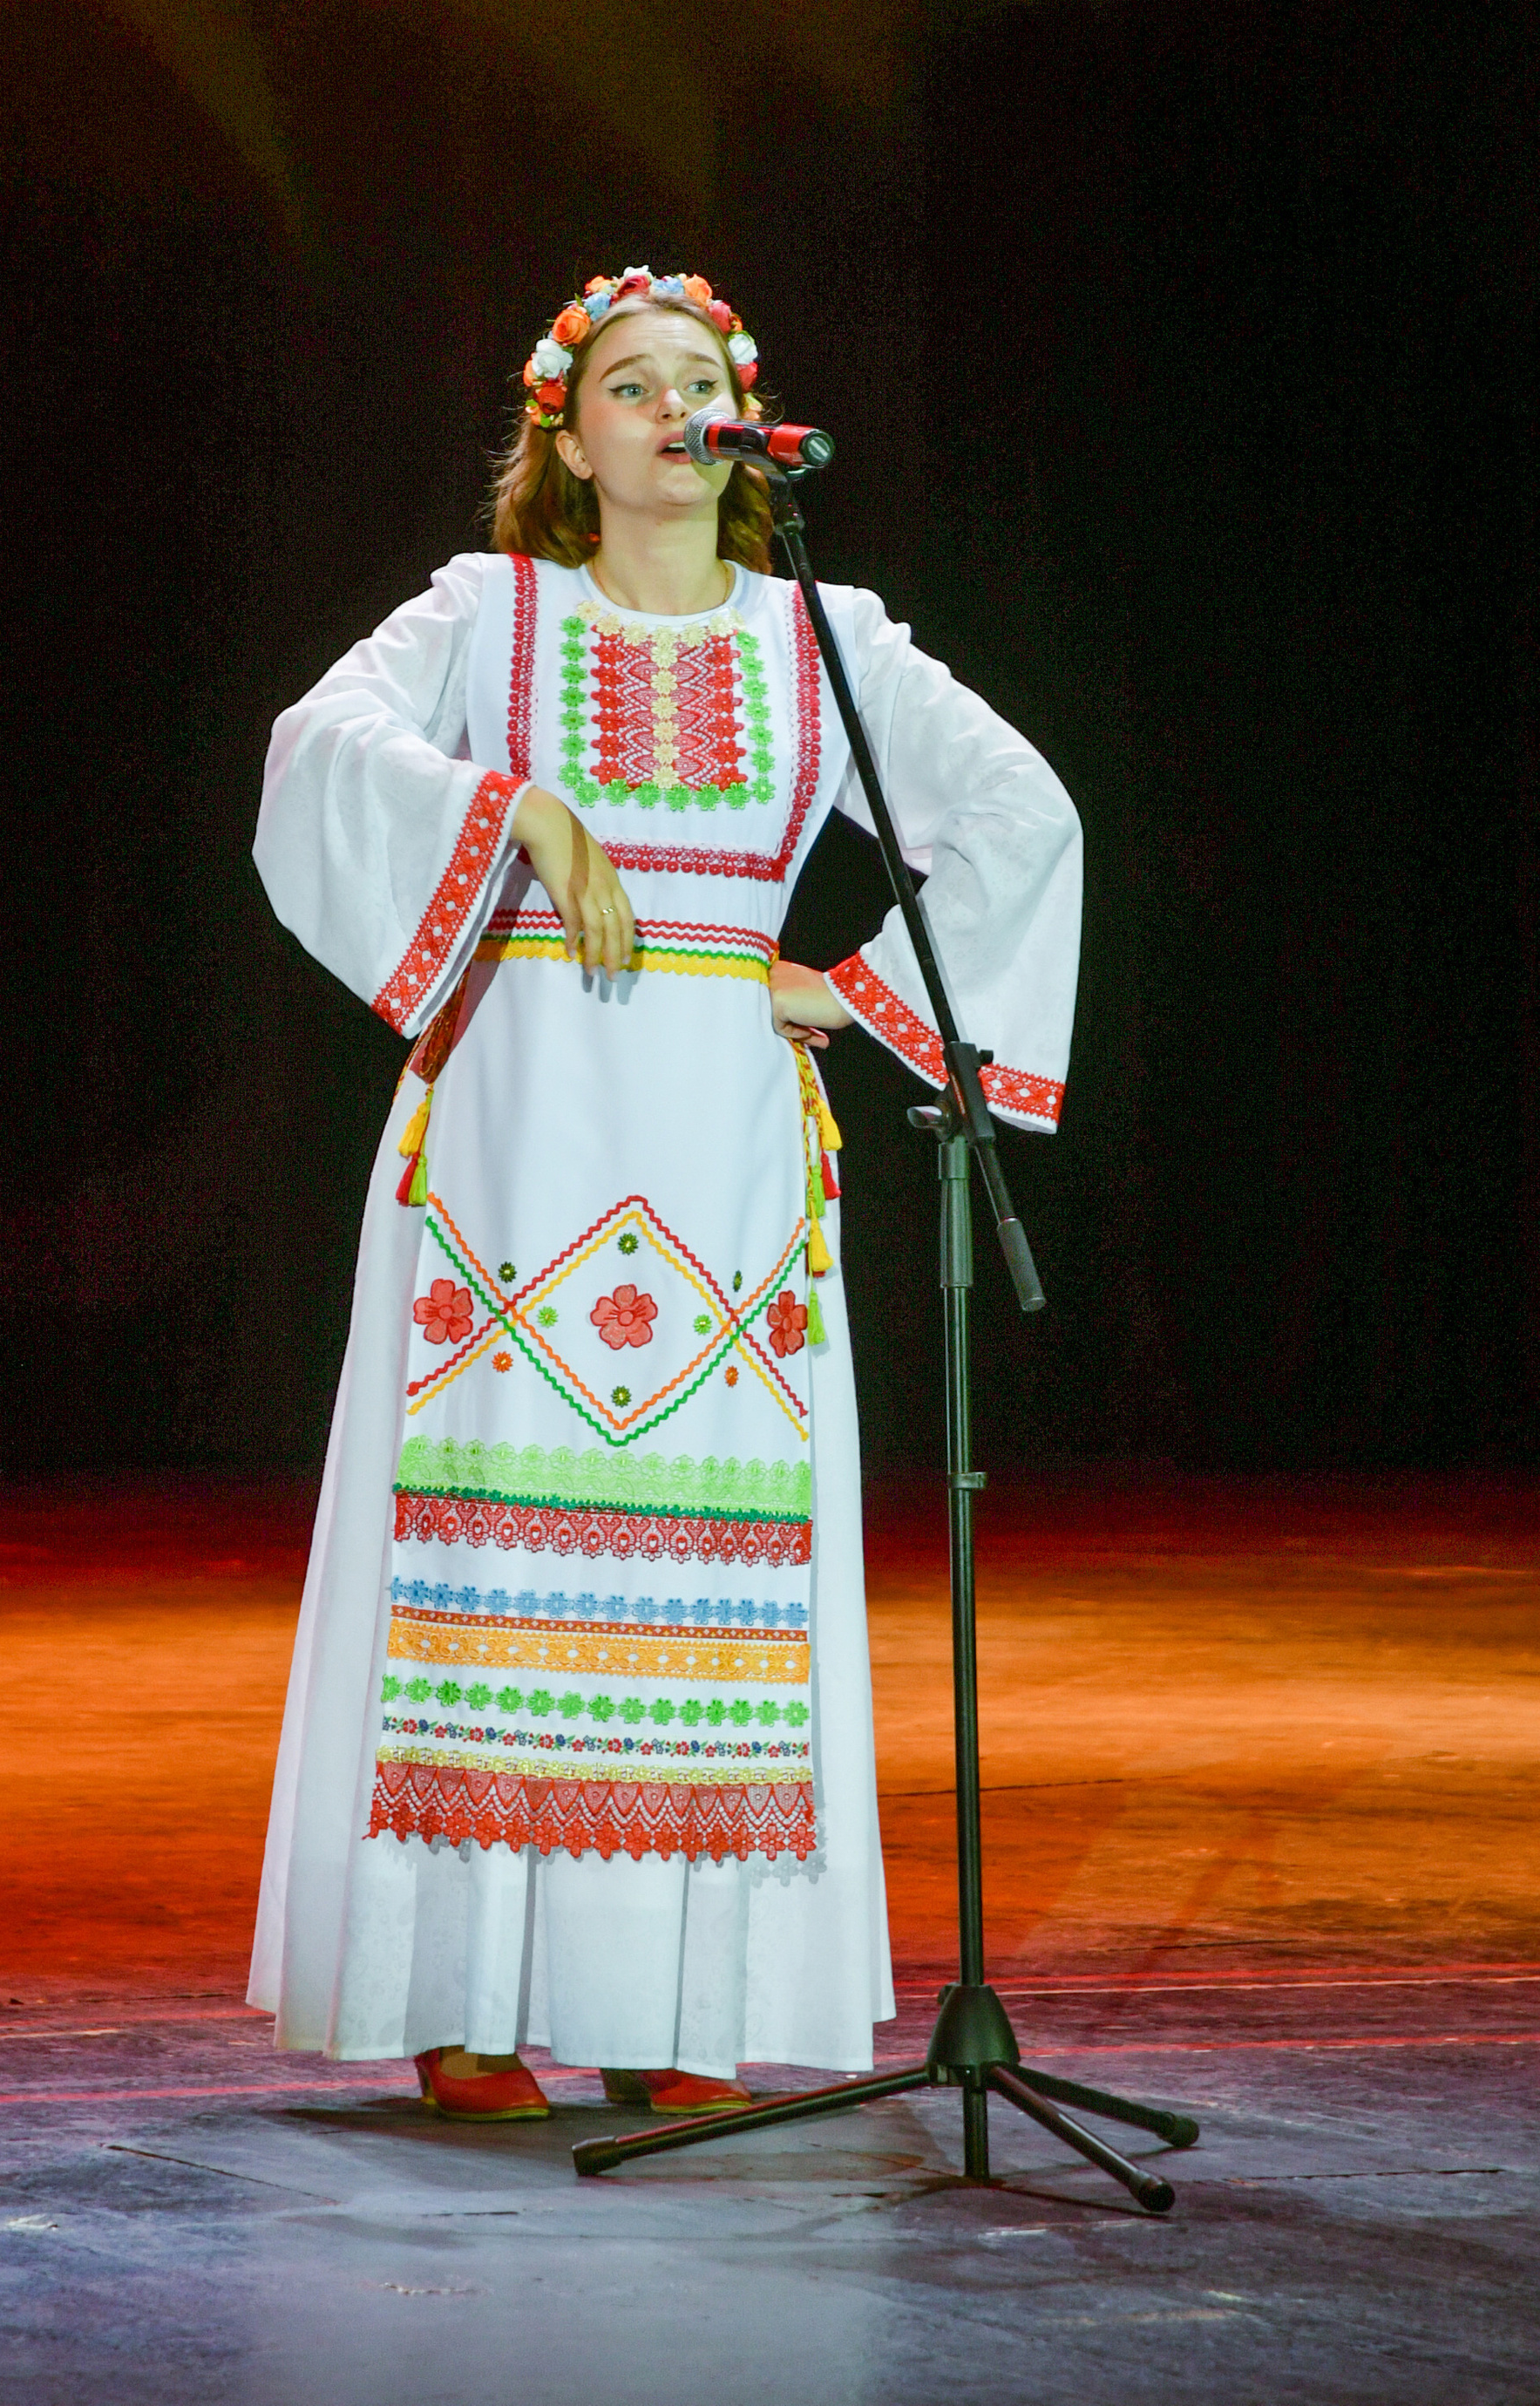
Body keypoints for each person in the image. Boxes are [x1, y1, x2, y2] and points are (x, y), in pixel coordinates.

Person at [248, 265, 1080, 2118]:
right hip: (515, 1133)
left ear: (746, 425)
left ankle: (667, 2012)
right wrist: (516, 814)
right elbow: (317, 751)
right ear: (567, 432)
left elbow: (1018, 813)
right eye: (631, 384)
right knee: (486, 1550)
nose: (671, 409)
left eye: (699, 382)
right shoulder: (490, 614)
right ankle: (463, 2007)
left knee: (705, 1574)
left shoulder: (821, 642)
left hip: (718, 1141)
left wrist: (849, 989)